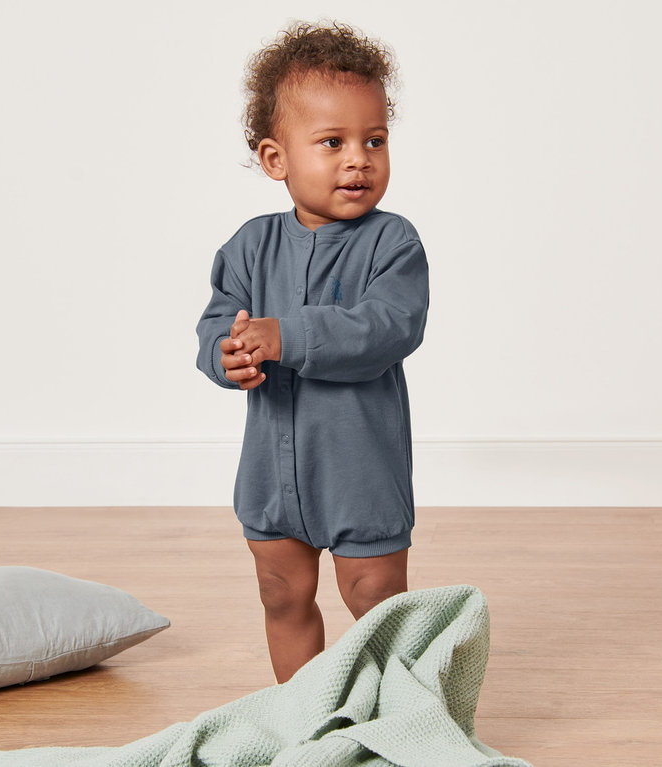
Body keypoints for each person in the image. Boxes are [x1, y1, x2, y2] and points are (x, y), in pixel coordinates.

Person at [196, 21, 429, 683]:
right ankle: (305, 715)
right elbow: (218, 322)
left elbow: (388, 327)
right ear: (277, 159)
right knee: (281, 593)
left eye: (374, 140)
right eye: (333, 142)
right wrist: (227, 355)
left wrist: (287, 336)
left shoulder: (393, 244)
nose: (359, 159)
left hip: (361, 471)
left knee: (376, 598)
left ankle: (400, 713)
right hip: (272, 475)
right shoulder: (249, 246)